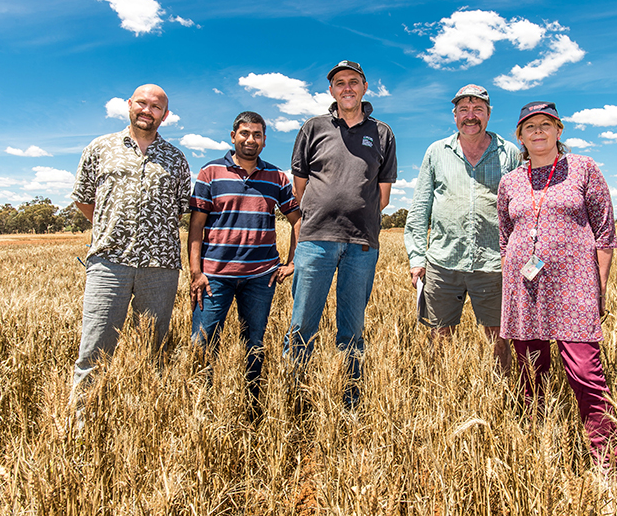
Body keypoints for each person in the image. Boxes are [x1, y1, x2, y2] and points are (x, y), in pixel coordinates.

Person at [497, 100, 617, 473]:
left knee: (585, 371)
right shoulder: (510, 181)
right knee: (531, 371)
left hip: (574, 289)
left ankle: (606, 461)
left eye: (545, 124)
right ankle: (538, 447)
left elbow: (605, 232)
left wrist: (598, 289)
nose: (538, 131)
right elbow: (505, 239)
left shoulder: (583, 169)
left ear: (559, 130)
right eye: (529, 126)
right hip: (525, 290)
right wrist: (511, 287)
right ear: (520, 135)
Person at [285, 60, 397, 409]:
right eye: (339, 83)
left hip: (362, 244)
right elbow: (299, 188)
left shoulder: (382, 133)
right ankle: (295, 395)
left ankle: (349, 398)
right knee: (303, 322)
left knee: (352, 328)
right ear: (331, 91)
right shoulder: (313, 128)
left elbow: (383, 195)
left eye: (353, 82)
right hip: (316, 239)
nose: (346, 88)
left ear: (365, 87)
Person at [70, 84, 191, 398]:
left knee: (153, 351)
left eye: (156, 107)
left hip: (160, 267)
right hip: (109, 264)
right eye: (142, 103)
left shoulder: (176, 159)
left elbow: (179, 209)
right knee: (94, 349)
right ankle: (81, 428)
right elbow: (84, 200)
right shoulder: (100, 148)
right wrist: (113, 228)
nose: (147, 110)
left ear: (164, 116)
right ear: (129, 104)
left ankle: (144, 420)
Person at [188, 111, 301, 414]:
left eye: (258, 134)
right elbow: (196, 225)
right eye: (245, 133)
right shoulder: (210, 173)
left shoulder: (276, 177)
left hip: (260, 278)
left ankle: (252, 405)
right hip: (213, 276)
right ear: (233, 136)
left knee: (254, 343)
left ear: (264, 140)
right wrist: (196, 272)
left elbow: (297, 220)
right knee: (202, 343)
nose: (251, 139)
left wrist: (292, 262)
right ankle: (201, 408)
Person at [404, 84, 519, 371]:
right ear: (454, 115)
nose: (471, 116)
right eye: (464, 110)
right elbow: (420, 208)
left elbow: (522, 209)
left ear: (489, 115)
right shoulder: (436, 152)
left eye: (478, 109)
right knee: (440, 336)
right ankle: (443, 393)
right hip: (444, 263)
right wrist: (417, 258)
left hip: (494, 264)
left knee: (500, 339)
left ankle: (503, 394)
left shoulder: (510, 154)